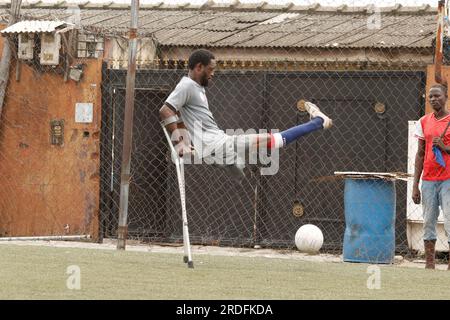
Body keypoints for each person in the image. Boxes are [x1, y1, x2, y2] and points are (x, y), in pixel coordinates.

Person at [159, 48, 332, 179]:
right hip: (218, 143)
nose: (213, 74)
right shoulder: (187, 86)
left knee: (242, 168)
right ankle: (318, 122)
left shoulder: (196, 88)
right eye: (210, 69)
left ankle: (230, 161)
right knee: (272, 139)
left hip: (215, 143)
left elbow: (180, 115)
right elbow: (165, 110)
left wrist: (185, 141)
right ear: (199, 67)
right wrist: (179, 143)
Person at [412, 83, 450, 270]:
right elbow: (420, 154)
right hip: (428, 180)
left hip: (448, 179)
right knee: (428, 221)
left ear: (446, 97)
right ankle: (429, 264)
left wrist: (445, 148)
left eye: (438, 96)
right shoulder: (423, 122)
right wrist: (415, 185)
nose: (434, 99)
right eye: (431, 97)